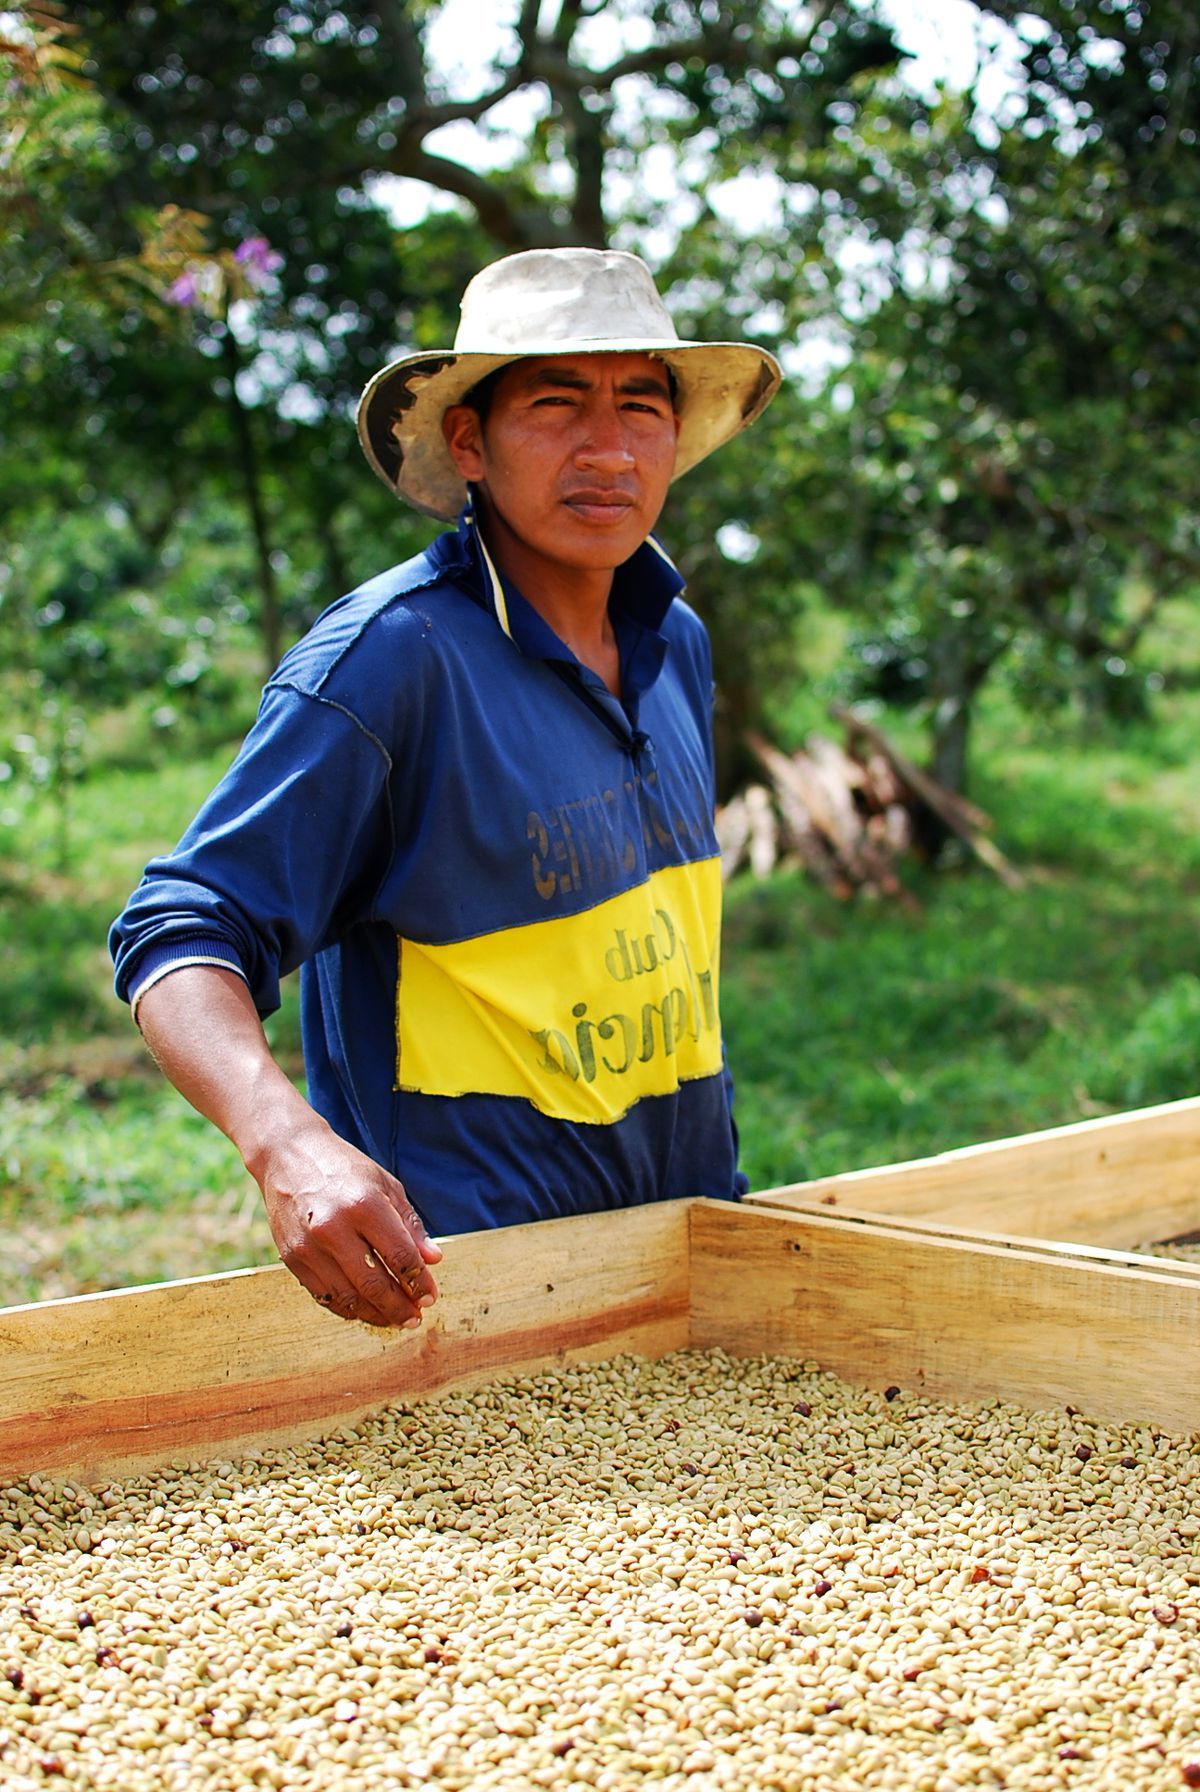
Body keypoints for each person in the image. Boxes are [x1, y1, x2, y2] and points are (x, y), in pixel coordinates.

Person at [110, 247, 781, 1330]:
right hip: (470, 1293)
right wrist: (286, 1144)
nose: (607, 448)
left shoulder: (675, 643)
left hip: (688, 1256)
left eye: (641, 406)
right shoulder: (392, 664)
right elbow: (183, 925)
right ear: (467, 440)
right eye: (556, 404)